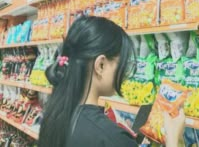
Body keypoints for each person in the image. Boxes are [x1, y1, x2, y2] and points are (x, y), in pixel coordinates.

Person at [38, 15, 185, 147]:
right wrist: (173, 139)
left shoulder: (54, 116)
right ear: (101, 65)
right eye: (123, 63)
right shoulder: (112, 138)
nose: (125, 72)